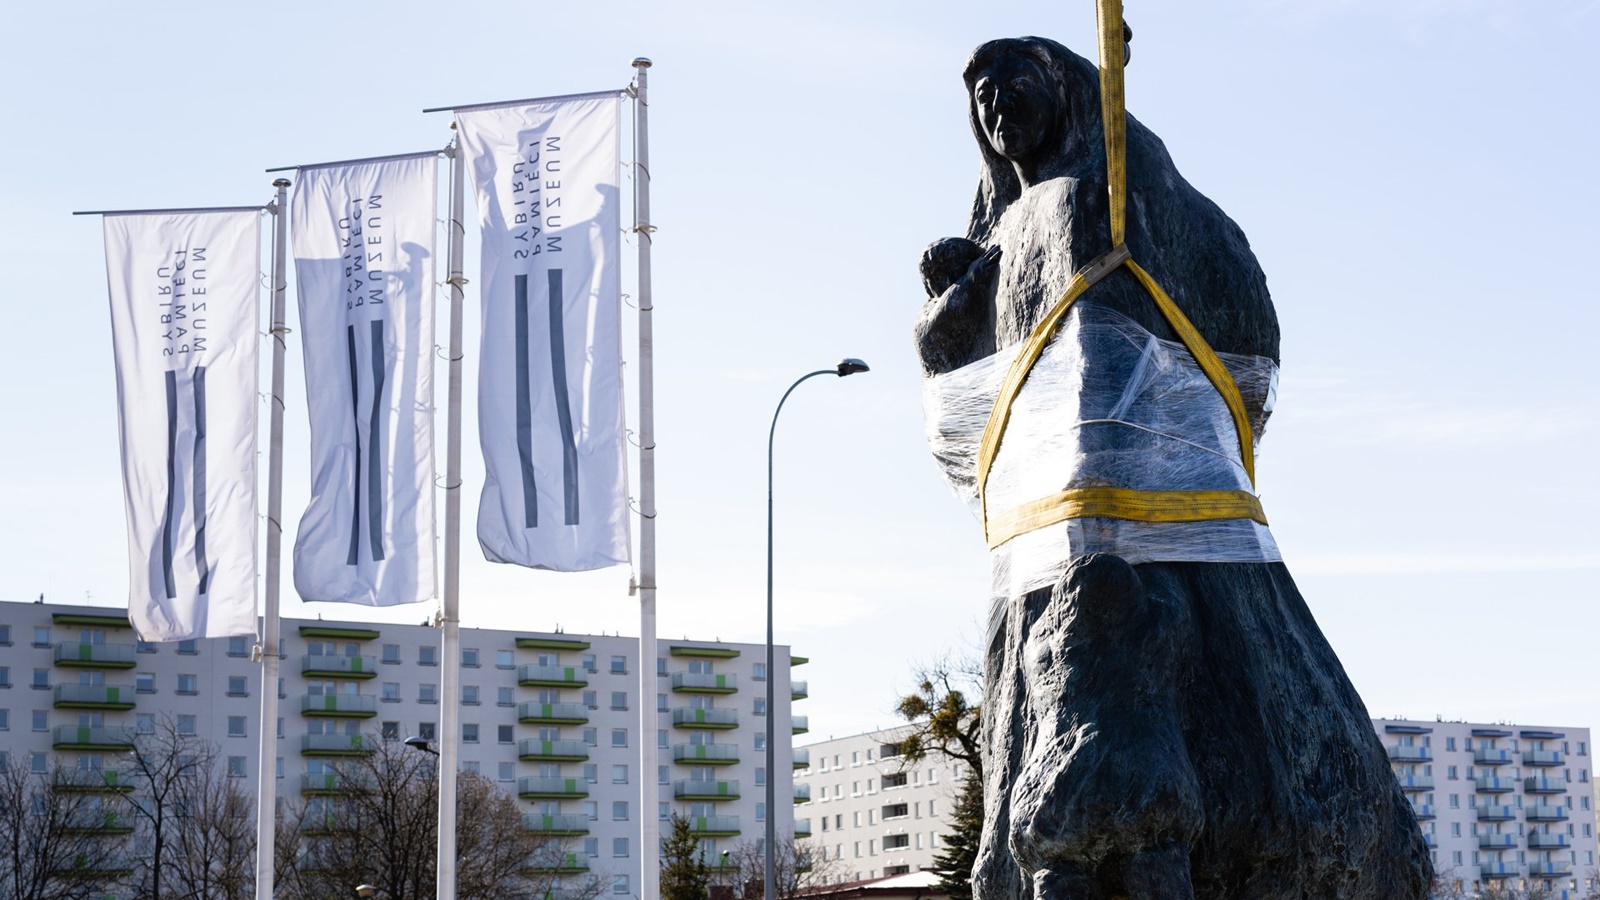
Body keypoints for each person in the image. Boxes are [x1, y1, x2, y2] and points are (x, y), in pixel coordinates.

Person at [915, 36, 1429, 900]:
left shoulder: (1105, 201)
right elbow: (962, 403)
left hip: (1143, 516)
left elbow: (1234, 347)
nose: (996, 109)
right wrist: (951, 307)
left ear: (1067, 91)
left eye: (1013, 88)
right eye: (981, 99)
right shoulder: (1017, 223)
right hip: (1048, 528)